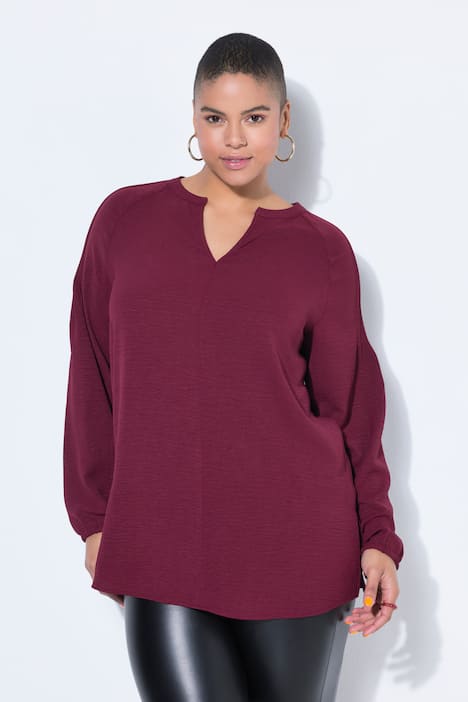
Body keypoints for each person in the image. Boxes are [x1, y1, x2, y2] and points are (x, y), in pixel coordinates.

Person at [63, 32, 404, 702]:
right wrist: (96, 519)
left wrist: (378, 539)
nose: (235, 139)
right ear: (193, 118)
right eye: (215, 117)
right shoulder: (124, 222)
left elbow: (351, 412)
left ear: (283, 120)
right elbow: (92, 373)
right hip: (160, 542)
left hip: (298, 549)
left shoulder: (322, 252)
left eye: (254, 116)